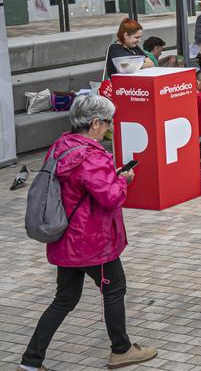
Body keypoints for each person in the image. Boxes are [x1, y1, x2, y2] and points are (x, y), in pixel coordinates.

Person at [18, 94, 157, 371]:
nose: (108, 127)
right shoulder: (91, 156)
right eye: (107, 122)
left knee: (64, 299)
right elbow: (110, 198)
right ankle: (121, 350)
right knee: (115, 288)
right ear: (95, 122)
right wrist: (122, 179)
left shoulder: (61, 146)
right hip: (93, 242)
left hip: (66, 239)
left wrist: (111, 175)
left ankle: (31, 362)